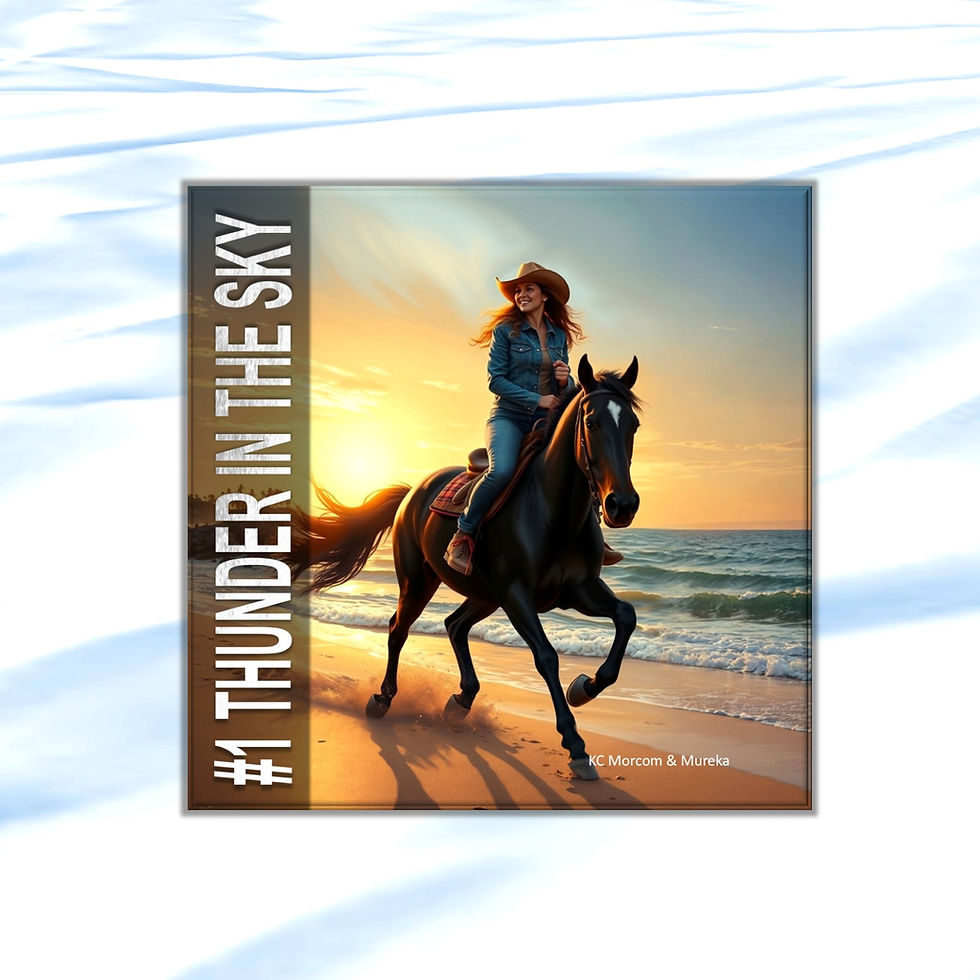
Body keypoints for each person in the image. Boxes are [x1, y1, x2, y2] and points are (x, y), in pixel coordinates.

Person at [444, 261, 623, 574]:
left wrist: (565, 380)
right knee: (502, 472)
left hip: (546, 421)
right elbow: (495, 381)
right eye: (518, 290)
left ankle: (593, 534)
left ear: (544, 296)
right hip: (508, 418)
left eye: (529, 288)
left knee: (583, 462)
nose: (521, 294)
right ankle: (463, 535)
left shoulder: (557, 337)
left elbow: (561, 390)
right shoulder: (505, 332)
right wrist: (537, 399)